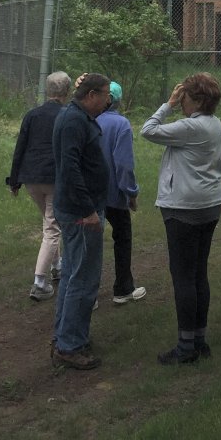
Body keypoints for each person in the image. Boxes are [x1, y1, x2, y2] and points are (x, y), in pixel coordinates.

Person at [141, 73, 221, 365]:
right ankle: (199, 339)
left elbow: (148, 130)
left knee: (183, 278)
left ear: (197, 99)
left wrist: (167, 105)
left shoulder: (191, 127)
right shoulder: (214, 124)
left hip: (184, 209)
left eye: (184, 97)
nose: (181, 102)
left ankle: (185, 346)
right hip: (210, 204)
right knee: (198, 273)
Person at [51, 73, 111, 370]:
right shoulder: (74, 121)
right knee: (84, 278)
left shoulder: (76, 118)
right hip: (79, 212)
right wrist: (88, 210)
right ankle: (70, 345)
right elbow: (70, 169)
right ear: (90, 95)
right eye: (105, 94)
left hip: (78, 207)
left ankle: (65, 336)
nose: (107, 100)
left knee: (74, 274)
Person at [7, 71, 70, 301]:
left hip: (31, 177)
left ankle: (58, 267)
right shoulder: (67, 115)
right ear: (67, 92)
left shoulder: (32, 114)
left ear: (47, 90)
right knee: (52, 229)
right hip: (53, 177)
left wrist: (14, 180)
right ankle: (39, 282)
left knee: (49, 222)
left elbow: (20, 148)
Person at [96, 80, 147, 306]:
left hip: (91, 194)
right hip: (114, 195)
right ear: (117, 100)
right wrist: (131, 193)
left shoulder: (87, 119)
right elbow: (124, 164)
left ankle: (88, 294)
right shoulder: (121, 124)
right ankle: (123, 288)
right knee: (122, 238)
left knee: (89, 242)